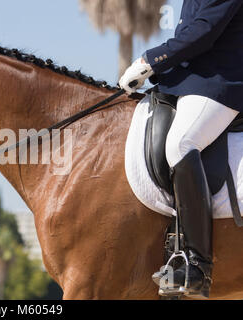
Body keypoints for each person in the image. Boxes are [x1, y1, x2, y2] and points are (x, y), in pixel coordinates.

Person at [119, 0, 243, 298]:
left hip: (221, 81)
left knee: (181, 143)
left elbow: (204, 30)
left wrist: (150, 60)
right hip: (189, 80)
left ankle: (197, 264)